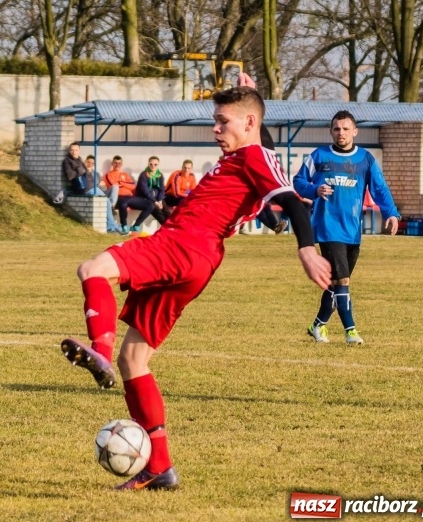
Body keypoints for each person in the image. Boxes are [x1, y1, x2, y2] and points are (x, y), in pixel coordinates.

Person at [59, 85, 331, 491]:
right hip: (194, 254)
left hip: (185, 245)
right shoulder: (240, 159)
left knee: (93, 268)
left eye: (223, 122)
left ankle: (97, 350)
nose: (215, 129)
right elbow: (259, 141)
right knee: (134, 359)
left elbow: (290, 200)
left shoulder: (255, 156)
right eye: (215, 121)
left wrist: (307, 249)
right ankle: (160, 469)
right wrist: (251, 98)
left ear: (250, 122)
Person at [293, 110, 399, 345]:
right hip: (327, 228)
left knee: (335, 283)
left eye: (345, 129)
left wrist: (390, 212)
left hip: (352, 230)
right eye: (337, 129)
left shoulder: (364, 159)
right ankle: (350, 331)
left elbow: (379, 188)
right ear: (331, 131)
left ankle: (317, 325)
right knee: (343, 282)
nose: (341, 133)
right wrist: (315, 190)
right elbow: (298, 182)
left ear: (355, 131)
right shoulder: (319, 156)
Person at [103, 156, 153, 233]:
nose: (117, 165)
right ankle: (124, 226)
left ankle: (136, 225)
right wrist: (126, 184)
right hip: (118, 197)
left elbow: (133, 186)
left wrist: (121, 183)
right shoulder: (108, 174)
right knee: (123, 203)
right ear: (112, 163)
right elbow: (114, 185)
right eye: (115, 163)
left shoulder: (125, 174)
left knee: (150, 205)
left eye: (119, 163)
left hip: (129, 197)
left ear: (122, 164)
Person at [84, 155, 125, 234]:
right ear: (85, 162)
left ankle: (112, 206)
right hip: (91, 192)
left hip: (99, 191)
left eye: (92, 163)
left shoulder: (97, 174)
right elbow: (88, 185)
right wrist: (98, 185)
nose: (90, 164)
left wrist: (100, 185)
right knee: (106, 202)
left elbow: (103, 188)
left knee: (115, 187)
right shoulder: (83, 172)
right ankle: (112, 227)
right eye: (88, 162)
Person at [135, 156, 168, 225]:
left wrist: (160, 200)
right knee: (156, 210)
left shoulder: (160, 175)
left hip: (156, 198)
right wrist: (155, 201)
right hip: (145, 198)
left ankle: (172, 227)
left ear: (158, 165)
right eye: (151, 164)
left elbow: (162, 189)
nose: (153, 166)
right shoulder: (144, 175)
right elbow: (145, 191)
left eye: (155, 164)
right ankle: (166, 226)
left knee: (166, 210)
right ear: (148, 164)